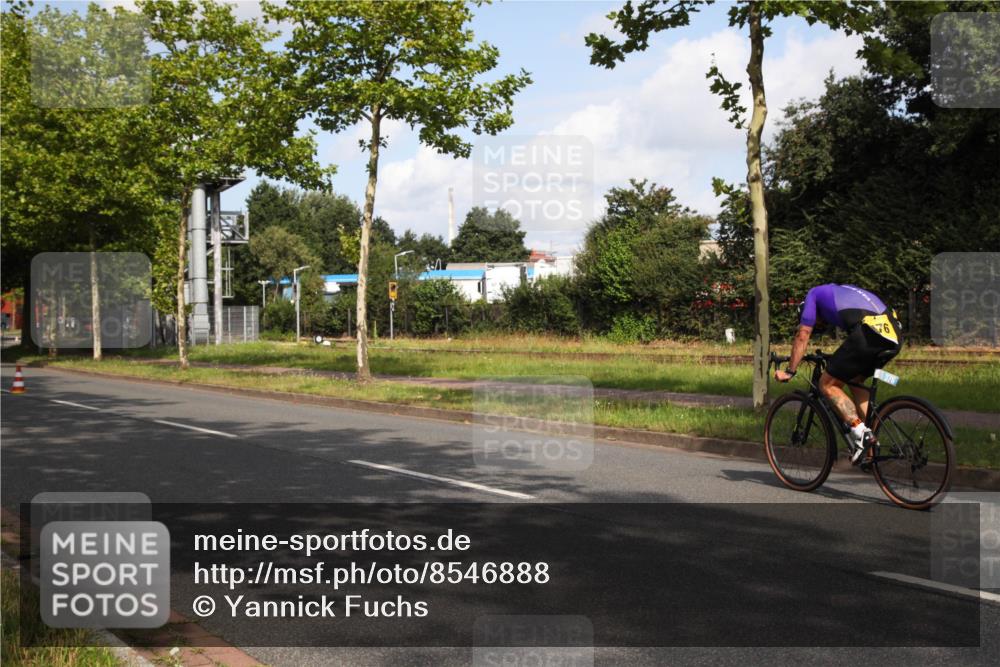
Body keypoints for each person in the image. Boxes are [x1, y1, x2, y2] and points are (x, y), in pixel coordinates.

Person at [774, 283, 902, 464]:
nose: (820, 324)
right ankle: (872, 450)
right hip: (894, 334)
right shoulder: (843, 291)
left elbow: (803, 334)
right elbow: (853, 350)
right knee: (854, 380)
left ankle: (861, 432)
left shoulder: (813, 295)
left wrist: (790, 371)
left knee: (827, 384)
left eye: (818, 323)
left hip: (870, 333)